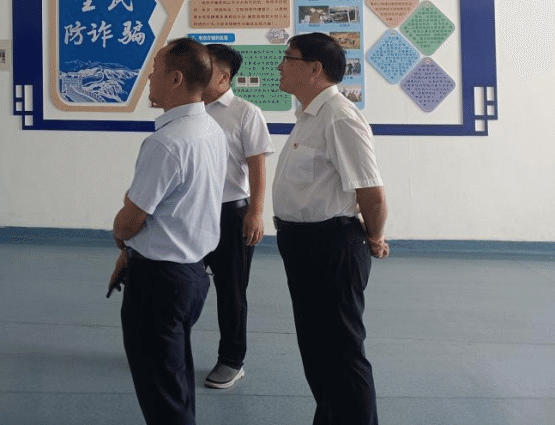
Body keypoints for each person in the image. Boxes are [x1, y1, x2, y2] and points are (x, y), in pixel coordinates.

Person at [108, 38, 227, 425]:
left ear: (176, 79)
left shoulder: (167, 142)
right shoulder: (210, 129)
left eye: (155, 70)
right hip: (191, 275)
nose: (149, 77)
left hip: (159, 282)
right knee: (174, 381)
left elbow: (131, 219)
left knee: (161, 393)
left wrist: (121, 234)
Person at [273, 32, 389, 425]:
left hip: (330, 247)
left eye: (288, 58)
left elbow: (371, 193)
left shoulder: (339, 117)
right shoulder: (310, 116)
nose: (280, 66)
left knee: (341, 353)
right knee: (318, 352)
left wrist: (374, 237)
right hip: (303, 246)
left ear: (314, 69)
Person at [201, 44, 274, 389]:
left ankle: (231, 360)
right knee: (180, 282)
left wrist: (256, 213)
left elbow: (257, 167)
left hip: (231, 214)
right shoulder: (189, 108)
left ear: (223, 76)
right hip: (192, 213)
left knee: (231, 291)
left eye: (204, 67)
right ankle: (169, 347)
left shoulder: (246, 112)